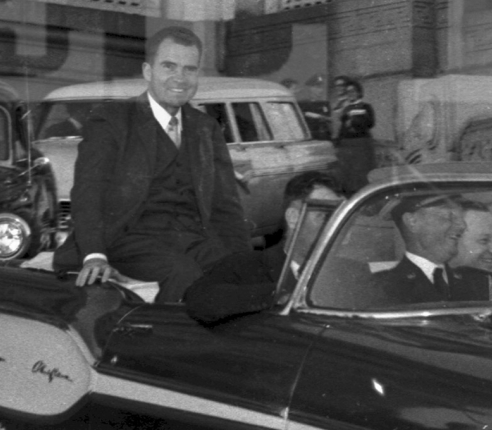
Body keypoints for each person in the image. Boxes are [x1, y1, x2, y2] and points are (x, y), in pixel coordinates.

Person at [53, 23, 252, 304]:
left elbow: (226, 206)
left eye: (190, 69)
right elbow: (89, 191)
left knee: (243, 275)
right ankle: (161, 332)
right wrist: (94, 255)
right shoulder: (111, 119)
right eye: (169, 67)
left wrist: (244, 261)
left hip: (190, 239)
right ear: (148, 71)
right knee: (184, 274)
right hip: (125, 240)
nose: (180, 78)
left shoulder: (206, 128)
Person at [183, 173, 341, 326]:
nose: (336, 226)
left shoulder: (350, 272)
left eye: (340, 217)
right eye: (323, 216)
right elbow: (199, 301)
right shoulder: (247, 266)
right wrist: (285, 293)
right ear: (294, 218)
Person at [370, 191, 492, 305]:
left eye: (460, 217)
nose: (462, 226)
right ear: (412, 221)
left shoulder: (482, 283)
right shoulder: (382, 288)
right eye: (449, 216)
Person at [331, 75, 378, 194]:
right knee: (347, 174)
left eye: (352, 91)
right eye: (348, 92)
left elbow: (370, 123)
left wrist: (353, 121)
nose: (350, 94)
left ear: (358, 92)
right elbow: (341, 128)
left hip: (362, 145)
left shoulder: (366, 107)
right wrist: (338, 143)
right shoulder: (345, 108)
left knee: (362, 173)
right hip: (347, 146)